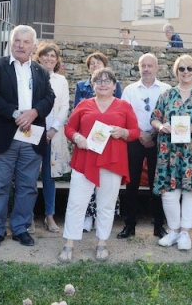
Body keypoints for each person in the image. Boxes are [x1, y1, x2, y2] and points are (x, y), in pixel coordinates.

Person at [0, 25, 55, 249]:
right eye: (17, 41)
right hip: (4, 137)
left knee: (27, 186)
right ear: (10, 43)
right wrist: (16, 114)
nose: (21, 45)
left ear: (33, 46)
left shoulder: (41, 71)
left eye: (25, 42)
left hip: (31, 139)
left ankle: (21, 228)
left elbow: (49, 97)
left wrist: (34, 112)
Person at [59, 67, 139, 262]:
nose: (103, 84)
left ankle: (102, 242)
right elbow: (69, 128)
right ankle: (69, 243)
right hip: (86, 160)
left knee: (106, 205)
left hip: (112, 161)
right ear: (93, 85)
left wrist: (124, 132)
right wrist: (77, 138)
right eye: (99, 80)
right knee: (76, 203)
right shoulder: (84, 104)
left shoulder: (124, 106)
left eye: (107, 80)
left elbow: (135, 131)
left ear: (114, 85)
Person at [151, 55, 192, 251]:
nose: (186, 72)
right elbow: (154, 118)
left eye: (190, 68)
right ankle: (173, 231)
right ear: (176, 72)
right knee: (170, 193)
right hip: (170, 152)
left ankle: (184, 233)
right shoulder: (166, 95)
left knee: (191, 191)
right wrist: (161, 125)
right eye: (182, 69)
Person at [118, 53, 170, 239]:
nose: (146, 69)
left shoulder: (166, 89)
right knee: (131, 185)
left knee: (158, 184)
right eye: (143, 65)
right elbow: (123, 116)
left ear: (157, 68)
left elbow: (168, 116)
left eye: (150, 65)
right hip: (134, 141)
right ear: (139, 68)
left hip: (159, 141)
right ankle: (129, 226)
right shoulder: (130, 90)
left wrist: (153, 134)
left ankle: (159, 226)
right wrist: (140, 134)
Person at [74, 51, 122, 232]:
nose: (95, 65)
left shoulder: (115, 86)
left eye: (98, 62)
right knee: (86, 182)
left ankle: (99, 220)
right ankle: (87, 216)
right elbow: (76, 113)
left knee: (105, 187)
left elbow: (118, 109)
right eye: (92, 63)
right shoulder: (82, 86)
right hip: (87, 142)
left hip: (108, 142)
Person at [33, 42, 71, 233]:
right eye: (45, 55)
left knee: (49, 177)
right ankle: (27, 217)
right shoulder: (31, 74)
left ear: (57, 60)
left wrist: (53, 130)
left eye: (52, 56)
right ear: (39, 56)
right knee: (29, 175)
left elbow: (64, 106)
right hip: (31, 132)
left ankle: (49, 216)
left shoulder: (61, 81)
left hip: (52, 134)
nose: (48, 59)